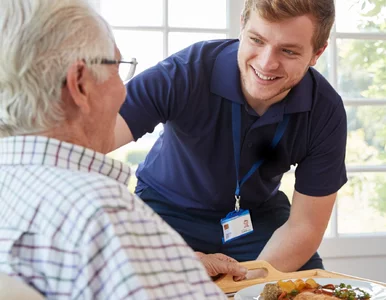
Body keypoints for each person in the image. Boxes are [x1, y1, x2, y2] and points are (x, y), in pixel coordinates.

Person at [0, 0, 246, 298]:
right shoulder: (102, 212)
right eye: (116, 68)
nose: (124, 90)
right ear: (79, 84)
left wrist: (165, 265)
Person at [115, 0, 348, 274]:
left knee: (307, 289)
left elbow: (305, 225)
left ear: (317, 53)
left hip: (255, 217)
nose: (266, 63)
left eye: (288, 51)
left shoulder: (326, 111)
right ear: (242, 26)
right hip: (166, 210)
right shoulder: (185, 72)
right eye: (257, 40)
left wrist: (249, 283)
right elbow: (85, 139)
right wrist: (177, 263)